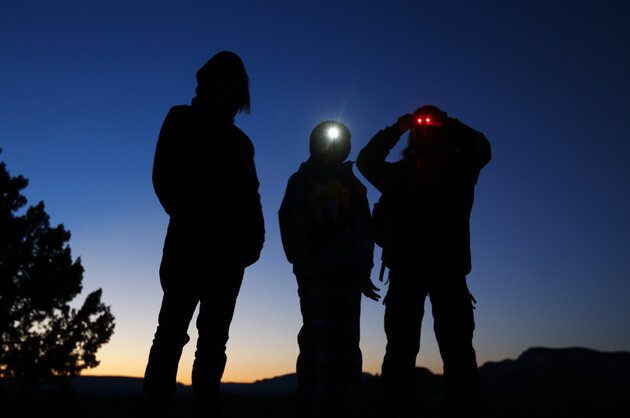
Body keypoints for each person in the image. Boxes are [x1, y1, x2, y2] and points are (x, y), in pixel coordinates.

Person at [144, 51, 265, 418]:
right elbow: (163, 177)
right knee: (171, 335)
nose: (228, 87)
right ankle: (156, 410)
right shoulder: (181, 118)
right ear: (208, 81)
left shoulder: (241, 143)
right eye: (222, 78)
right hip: (188, 248)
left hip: (229, 259)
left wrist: (253, 243)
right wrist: (193, 217)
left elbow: (252, 195)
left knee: (213, 344)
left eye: (234, 81)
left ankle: (205, 409)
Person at [356, 105, 491, 418]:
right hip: (408, 273)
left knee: (456, 354)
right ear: (414, 134)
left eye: (433, 125)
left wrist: (449, 122)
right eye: (421, 126)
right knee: (402, 352)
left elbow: (482, 148)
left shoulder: (459, 170)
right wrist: (398, 127)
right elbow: (366, 161)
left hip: (448, 273)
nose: (427, 129)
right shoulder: (400, 175)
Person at [279, 121, 380, 418]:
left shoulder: (354, 185)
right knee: (318, 346)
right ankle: (313, 406)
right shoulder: (301, 181)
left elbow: (364, 229)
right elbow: (290, 218)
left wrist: (363, 271)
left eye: (340, 142)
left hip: (348, 277)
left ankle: (343, 406)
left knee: (347, 348)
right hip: (316, 274)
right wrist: (302, 263)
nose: (334, 147)